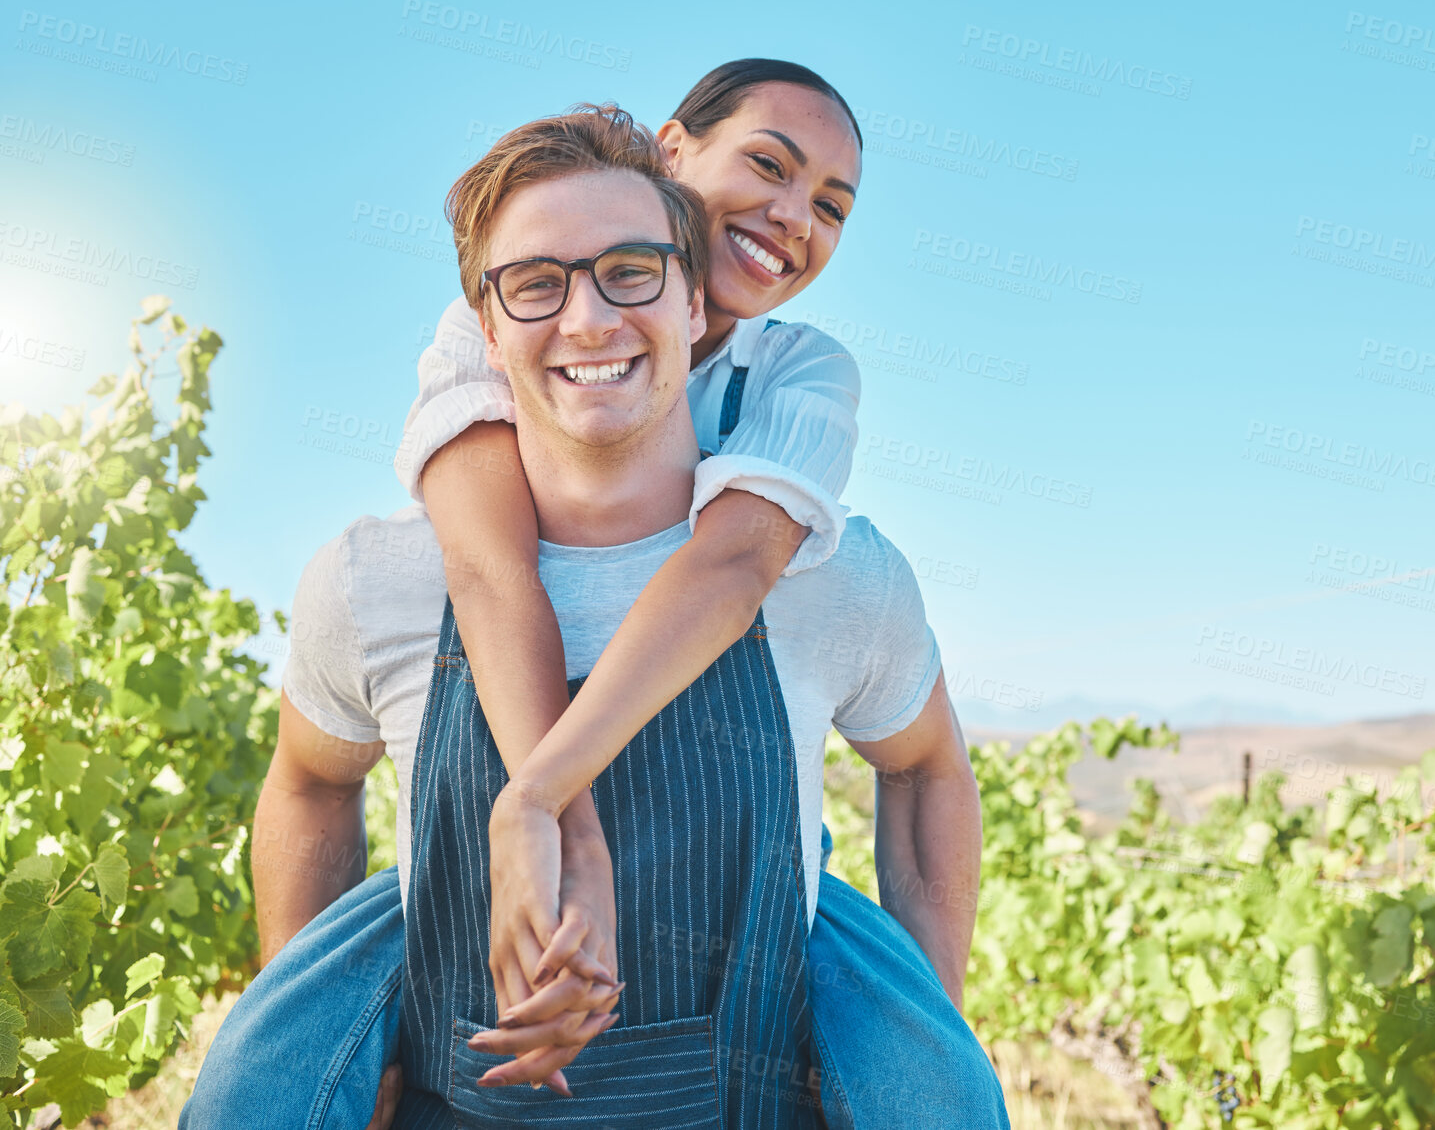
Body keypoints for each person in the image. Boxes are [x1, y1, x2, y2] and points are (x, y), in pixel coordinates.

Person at [182, 100, 1008, 1128]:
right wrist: (339, 1049)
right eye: (535, 284)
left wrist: (919, 1024)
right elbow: (309, 779)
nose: (587, 320)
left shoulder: (830, 568)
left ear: (697, 299)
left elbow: (924, 764)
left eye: (631, 271)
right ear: (483, 327)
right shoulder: (377, 576)